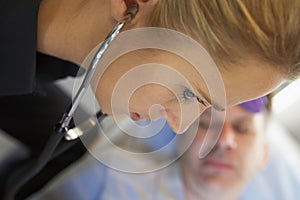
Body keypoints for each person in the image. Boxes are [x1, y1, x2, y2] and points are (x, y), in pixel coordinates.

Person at [0, 0, 300, 198]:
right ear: (132, 5)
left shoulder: (51, 60)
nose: (181, 125)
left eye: (206, 107)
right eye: (189, 93)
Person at [27, 96, 300, 199]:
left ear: (264, 154)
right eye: (207, 124)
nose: (224, 140)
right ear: (180, 136)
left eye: (242, 129)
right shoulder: (115, 176)